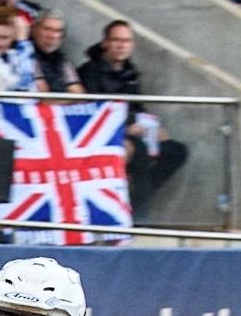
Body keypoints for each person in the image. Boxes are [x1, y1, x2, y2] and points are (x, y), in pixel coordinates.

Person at [79, 19, 190, 218]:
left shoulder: (130, 72)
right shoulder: (89, 72)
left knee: (175, 151)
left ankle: (136, 201)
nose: (121, 45)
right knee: (139, 149)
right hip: (104, 136)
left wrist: (154, 128)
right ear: (105, 42)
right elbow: (91, 112)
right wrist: (125, 128)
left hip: (134, 131)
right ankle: (138, 214)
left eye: (126, 41)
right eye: (116, 40)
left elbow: (138, 107)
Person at [31, 12, 83, 91]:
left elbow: (77, 93)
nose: (52, 36)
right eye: (47, 29)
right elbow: (41, 93)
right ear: (33, 29)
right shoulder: (25, 55)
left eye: (58, 31)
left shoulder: (63, 61)